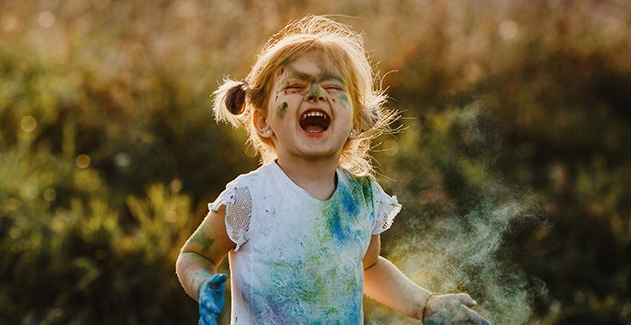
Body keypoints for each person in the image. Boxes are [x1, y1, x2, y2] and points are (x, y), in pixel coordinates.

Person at [175, 15, 490, 325]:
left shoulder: (361, 198)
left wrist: (426, 305)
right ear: (262, 120)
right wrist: (203, 284)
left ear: (356, 120)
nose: (315, 94)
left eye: (331, 85)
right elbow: (195, 256)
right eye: (295, 85)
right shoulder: (250, 197)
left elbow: (369, 267)